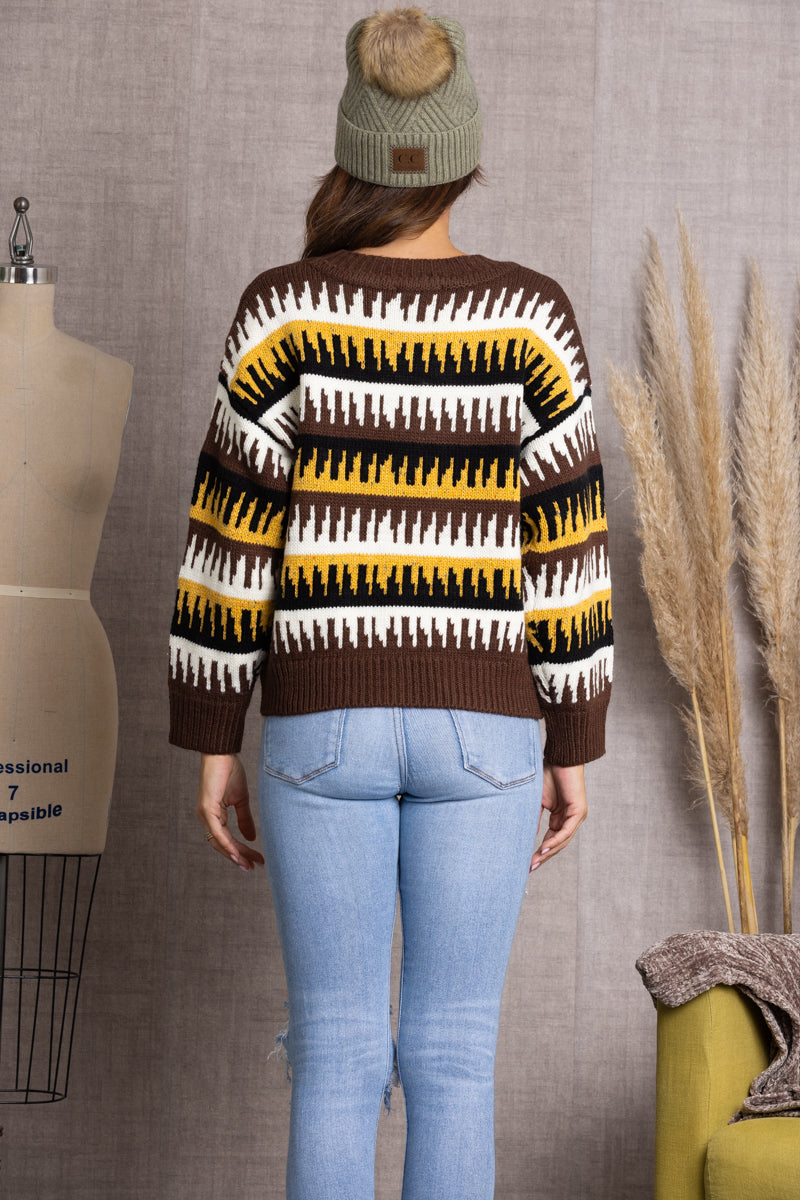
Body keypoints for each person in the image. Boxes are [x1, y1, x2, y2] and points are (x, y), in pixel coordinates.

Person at [168, 8, 612, 1199]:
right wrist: (571, 741)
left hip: (320, 724)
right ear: (463, 155)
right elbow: (567, 550)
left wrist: (214, 738)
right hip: (486, 728)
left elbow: (228, 539)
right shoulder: (530, 316)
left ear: (350, 152)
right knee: (453, 1060)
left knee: (336, 1057)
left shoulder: (282, 310)